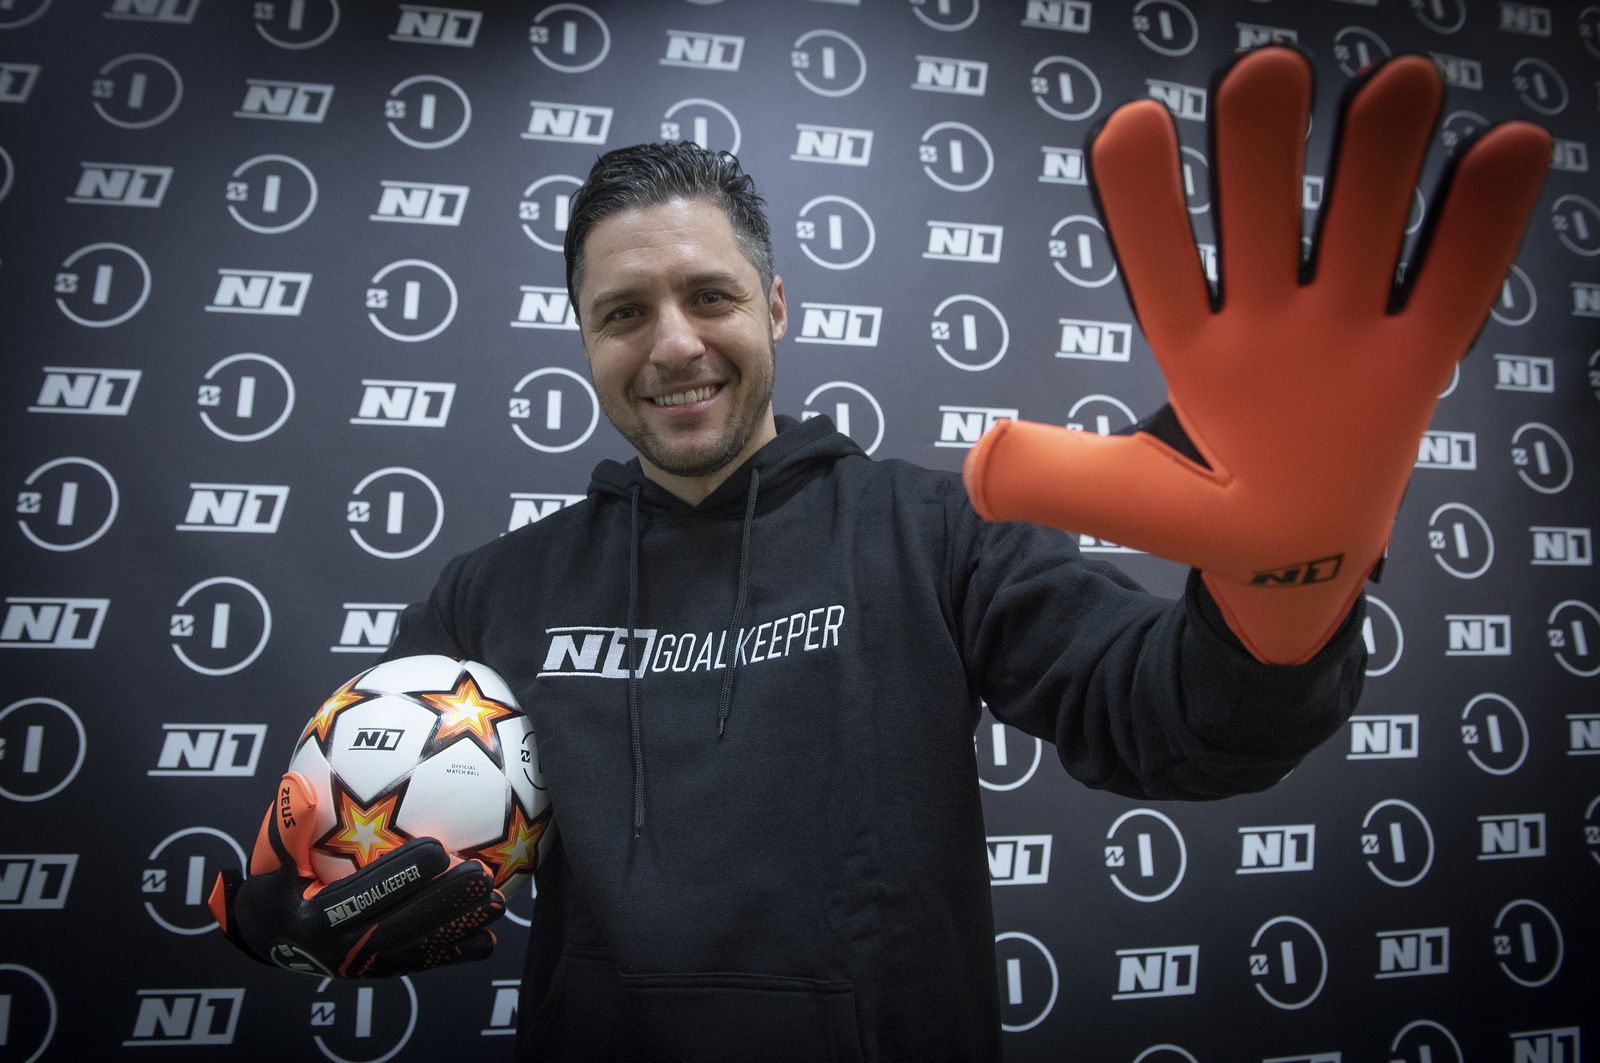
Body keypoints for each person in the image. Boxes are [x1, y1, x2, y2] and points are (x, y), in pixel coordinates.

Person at [208, 47, 1549, 1061]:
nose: (672, 343)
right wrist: (296, 911)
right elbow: (349, 859)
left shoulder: (925, 531)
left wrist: (1286, 602)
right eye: (623, 312)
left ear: (777, 307)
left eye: (710, 295)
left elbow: (1174, 724)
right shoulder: (490, 594)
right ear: (580, 337)